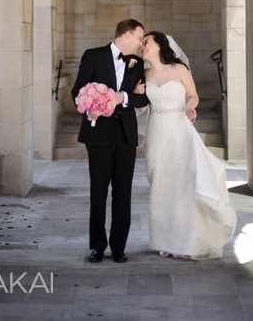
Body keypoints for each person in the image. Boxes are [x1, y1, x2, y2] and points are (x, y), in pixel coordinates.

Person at [135, 31, 237, 259]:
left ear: (160, 45)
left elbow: (193, 95)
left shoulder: (180, 69)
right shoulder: (144, 74)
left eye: (147, 42)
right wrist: (134, 93)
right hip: (157, 132)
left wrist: (190, 106)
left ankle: (185, 239)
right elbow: (141, 106)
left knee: (182, 185)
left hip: (179, 130)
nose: (143, 46)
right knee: (160, 185)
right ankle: (164, 239)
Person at [71, 19, 148, 263]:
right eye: (139, 37)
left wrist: (122, 97)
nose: (141, 42)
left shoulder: (138, 65)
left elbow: (143, 99)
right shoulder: (93, 56)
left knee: (123, 193)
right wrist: (89, 109)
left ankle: (118, 247)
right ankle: (96, 246)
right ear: (126, 35)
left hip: (126, 136)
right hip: (98, 136)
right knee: (98, 191)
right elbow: (78, 92)